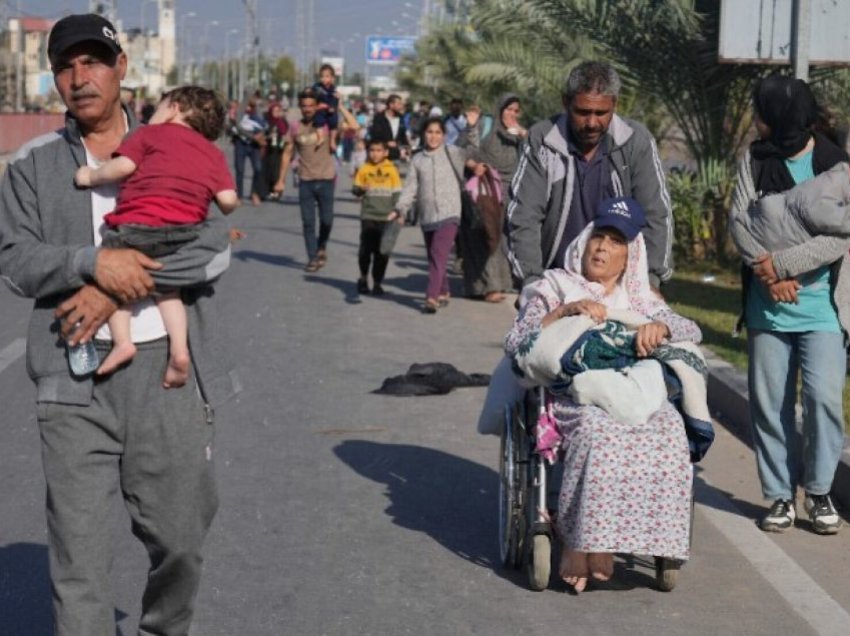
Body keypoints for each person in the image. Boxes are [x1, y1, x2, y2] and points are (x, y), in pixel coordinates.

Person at [0, 13, 238, 635]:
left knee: (181, 539)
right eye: (66, 66)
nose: (81, 78)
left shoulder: (187, 143)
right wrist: (89, 262)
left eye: (93, 62)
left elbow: (216, 246)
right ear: (55, 78)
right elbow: (14, 258)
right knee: (78, 560)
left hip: (167, 377)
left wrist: (115, 287)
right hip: (70, 373)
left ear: (122, 67)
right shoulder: (33, 164)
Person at [504, 201, 704, 593]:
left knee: (668, 429)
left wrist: (659, 328)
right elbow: (517, 340)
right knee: (599, 432)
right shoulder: (555, 286)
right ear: (585, 242)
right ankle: (582, 542)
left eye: (615, 242)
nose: (602, 248)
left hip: (634, 391)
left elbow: (691, 331)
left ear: (630, 256)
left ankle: (631, 538)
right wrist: (565, 312)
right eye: (599, 237)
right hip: (576, 395)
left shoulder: (640, 299)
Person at [729, 75, 848, 535]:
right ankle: (779, 495)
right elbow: (739, 221)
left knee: (822, 399)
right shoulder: (755, 161)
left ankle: (818, 491)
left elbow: (841, 236)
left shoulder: (834, 163)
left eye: (762, 111)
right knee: (769, 402)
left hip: (823, 308)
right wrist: (769, 276)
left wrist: (783, 265)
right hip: (768, 307)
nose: (757, 120)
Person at [73, 85, 238, 386]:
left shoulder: (149, 135)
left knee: (114, 276)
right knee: (169, 291)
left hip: (136, 227)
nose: (153, 113)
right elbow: (228, 201)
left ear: (174, 107)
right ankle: (179, 350)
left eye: (159, 106)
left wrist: (90, 176)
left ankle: (123, 342)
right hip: (184, 233)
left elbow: (122, 167)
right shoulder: (213, 153)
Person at [506, 60, 674, 291]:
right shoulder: (542, 140)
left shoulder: (636, 143)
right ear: (566, 103)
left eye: (601, 113)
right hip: (554, 283)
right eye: (583, 112)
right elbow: (524, 215)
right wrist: (531, 281)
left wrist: (651, 280)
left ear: (615, 104)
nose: (592, 123)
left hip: (618, 287)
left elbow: (656, 214)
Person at [275, 88, 359, 272]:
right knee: (308, 222)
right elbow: (287, 153)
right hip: (305, 180)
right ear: (300, 107)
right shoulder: (295, 127)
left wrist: (340, 106)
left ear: (317, 106)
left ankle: (322, 246)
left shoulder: (328, 124)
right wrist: (280, 180)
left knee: (327, 220)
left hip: (327, 179)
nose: (307, 109)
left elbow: (354, 126)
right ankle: (312, 257)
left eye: (311, 105)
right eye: (304, 106)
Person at [392, 116, 468, 313]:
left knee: (438, 253)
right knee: (435, 256)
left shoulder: (453, 153)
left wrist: (473, 125)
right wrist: (401, 208)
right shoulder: (418, 160)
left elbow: (471, 144)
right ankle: (443, 290)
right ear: (423, 134)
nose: (433, 136)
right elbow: (410, 188)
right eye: (429, 132)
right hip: (426, 215)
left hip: (450, 212)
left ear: (443, 135)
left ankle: (431, 296)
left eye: (438, 132)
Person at [461, 93, 526, 302]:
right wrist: (474, 165)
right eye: (509, 109)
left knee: (504, 237)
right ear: (500, 110)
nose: (512, 114)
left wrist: (525, 137)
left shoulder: (519, 134)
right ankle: (489, 286)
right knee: (487, 234)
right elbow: (464, 149)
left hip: (510, 191)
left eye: (516, 111)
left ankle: (498, 283)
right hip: (485, 188)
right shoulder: (485, 125)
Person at [352, 139, 404, 295]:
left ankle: (377, 282)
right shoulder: (364, 169)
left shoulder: (392, 169)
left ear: (385, 152)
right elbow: (355, 189)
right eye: (372, 150)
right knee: (365, 250)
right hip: (368, 215)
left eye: (379, 150)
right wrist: (361, 189)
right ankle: (363, 278)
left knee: (382, 252)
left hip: (387, 217)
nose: (375, 154)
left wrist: (399, 213)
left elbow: (397, 193)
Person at [231, 99, 266, 206]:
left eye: (251, 106)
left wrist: (260, 135)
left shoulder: (256, 117)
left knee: (258, 169)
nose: (248, 108)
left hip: (254, 146)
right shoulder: (238, 116)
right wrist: (252, 136)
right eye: (246, 106)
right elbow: (236, 128)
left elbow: (263, 126)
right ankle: (239, 196)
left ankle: (254, 193)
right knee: (240, 170)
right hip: (240, 144)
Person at [257, 101, 289, 201]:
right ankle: (265, 191)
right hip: (268, 150)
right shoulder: (267, 122)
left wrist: (285, 139)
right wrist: (267, 137)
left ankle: (276, 191)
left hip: (279, 150)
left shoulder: (283, 122)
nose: (276, 112)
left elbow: (287, 133)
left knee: (277, 171)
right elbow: (261, 134)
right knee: (267, 171)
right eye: (274, 110)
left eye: (278, 110)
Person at [368, 94, 409, 162]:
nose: (401, 106)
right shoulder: (379, 118)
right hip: (382, 156)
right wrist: (386, 142)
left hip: (397, 155)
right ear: (391, 104)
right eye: (398, 104)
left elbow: (403, 135)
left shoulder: (401, 118)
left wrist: (406, 148)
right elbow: (374, 136)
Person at [311, 63, 340, 153]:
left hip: (330, 109)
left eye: (327, 76)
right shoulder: (317, 87)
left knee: (334, 121)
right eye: (322, 76)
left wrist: (332, 107)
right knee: (318, 120)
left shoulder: (333, 89)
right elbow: (312, 96)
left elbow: (335, 100)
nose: (324, 79)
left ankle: (332, 141)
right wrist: (317, 105)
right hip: (320, 109)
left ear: (332, 78)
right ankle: (320, 137)